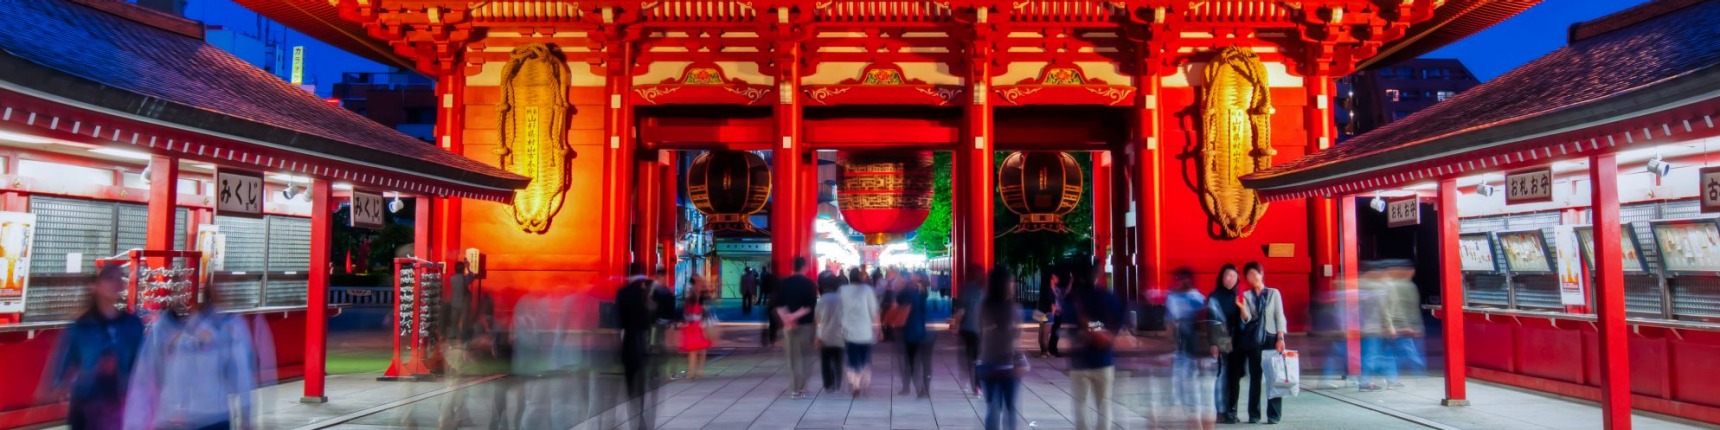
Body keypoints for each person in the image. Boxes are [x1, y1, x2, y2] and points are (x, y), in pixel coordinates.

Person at [124, 275, 260, 430]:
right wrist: (135, 423)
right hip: (171, 419)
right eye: (181, 291)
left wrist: (246, 415)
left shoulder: (226, 328)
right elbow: (143, 378)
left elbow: (240, 374)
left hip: (213, 418)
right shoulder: (162, 330)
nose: (186, 297)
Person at [41, 265, 145, 430]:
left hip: (118, 405)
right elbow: (62, 366)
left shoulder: (132, 326)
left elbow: (142, 366)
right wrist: (59, 386)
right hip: (86, 405)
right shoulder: (81, 327)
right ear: (96, 286)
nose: (116, 283)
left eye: (120, 278)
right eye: (110, 278)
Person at [1063, 262, 1123, 430]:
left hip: (1080, 361)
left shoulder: (1074, 299)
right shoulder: (1107, 297)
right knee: (1104, 406)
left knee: (1080, 406)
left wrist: (1089, 326)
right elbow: (1114, 326)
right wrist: (1098, 328)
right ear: (1097, 275)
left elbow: (1069, 325)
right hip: (1103, 359)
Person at [1237, 262, 1288, 424]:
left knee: (1274, 377)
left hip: (1272, 338)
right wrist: (1242, 308)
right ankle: (1254, 414)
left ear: (1261, 273)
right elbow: (1247, 319)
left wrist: (1280, 338)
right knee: (1255, 378)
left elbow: (1279, 316)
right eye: (1249, 275)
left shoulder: (1274, 293)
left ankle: (1274, 415)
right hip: (1254, 340)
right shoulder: (1246, 295)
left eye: (1255, 273)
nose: (1253, 277)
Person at [978, 267, 1025, 430]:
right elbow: (1014, 339)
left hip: (987, 363)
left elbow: (980, 332)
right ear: (1005, 284)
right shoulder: (1011, 308)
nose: (1014, 285)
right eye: (1011, 281)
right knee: (1010, 408)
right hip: (1007, 365)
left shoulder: (984, 306)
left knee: (992, 407)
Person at [615, 267, 658, 430]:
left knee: (630, 381)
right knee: (642, 383)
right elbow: (651, 315)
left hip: (628, 341)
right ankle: (640, 417)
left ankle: (633, 411)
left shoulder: (622, 292)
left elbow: (618, 319)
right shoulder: (645, 293)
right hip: (642, 340)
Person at [1165, 268, 1208, 417]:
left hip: (1193, 337)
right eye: (1179, 278)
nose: (1182, 281)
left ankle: (1193, 402)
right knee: (1179, 370)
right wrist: (1170, 337)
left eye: (1184, 278)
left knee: (1192, 371)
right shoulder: (1172, 296)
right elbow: (1169, 319)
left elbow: (1203, 319)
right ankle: (1178, 401)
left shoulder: (1197, 297)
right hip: (1180, 335)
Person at [775, 257, 820, 398]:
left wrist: (787, 319)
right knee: (805, 357)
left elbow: (778, 305)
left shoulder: (783, 282)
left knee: (792, 357)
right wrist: (795, 317)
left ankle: (794, 388)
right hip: (805, 325)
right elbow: (809, 307)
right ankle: (802, 387)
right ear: (804, 267)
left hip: (788, 327)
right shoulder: (809, 284)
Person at [1207, 264, 1244, 424]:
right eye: (1227, 275)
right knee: (1222, 375)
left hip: (1239, 340)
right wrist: (1213, 343)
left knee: (1235, 377)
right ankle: (1220, 410)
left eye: (1233, 276)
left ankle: (1232, 410)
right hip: (1222, 338)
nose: (1230, 279)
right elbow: (1211, 321)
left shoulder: (1240, 296)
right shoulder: (1215, 297)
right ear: (1221, 278)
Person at [838, 267, 881, 397]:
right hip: (865, 331)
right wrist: (878, 329)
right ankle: (865, 382)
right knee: (864, 359)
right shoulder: (868, 290)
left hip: (849, 331)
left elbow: (839, 311)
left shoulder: (842, 290)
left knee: (852, 360)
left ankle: (855, 384)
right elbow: (874, 311)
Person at [895, 272, 934, 398]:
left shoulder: (909, 293)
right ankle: (924, 389)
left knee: (912, 361)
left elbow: (899, 298)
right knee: (924, 363)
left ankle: (915, 388)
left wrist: (906, 286)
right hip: (926, 332)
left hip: (912, 331)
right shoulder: (927, 293)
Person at [951, 265, 985, 397]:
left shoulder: (965, 289)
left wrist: (955, 325)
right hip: (980, 329)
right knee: (978, 358)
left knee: (968, 356)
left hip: (967, 328)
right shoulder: (984, 290)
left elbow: (961, 310)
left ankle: (966, 379)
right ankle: (977, 386)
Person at [816, 274, 845, 393]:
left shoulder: (822, 300)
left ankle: (828, 384)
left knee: (825, 361)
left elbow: (817, 318)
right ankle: (838, 381)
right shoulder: (841, 299)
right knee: (838, 360)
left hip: (825, 336)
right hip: (839, 335)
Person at [680, 275, 714, 380]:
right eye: (696, 282)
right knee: (693, 349)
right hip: (693, 323)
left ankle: (698, 370)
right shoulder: (690, 294)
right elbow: (686, 308)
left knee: (701, 348)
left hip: (700, 323)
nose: (698, 284)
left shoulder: (702, 293)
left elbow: (707, 307)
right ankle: (692, 371)